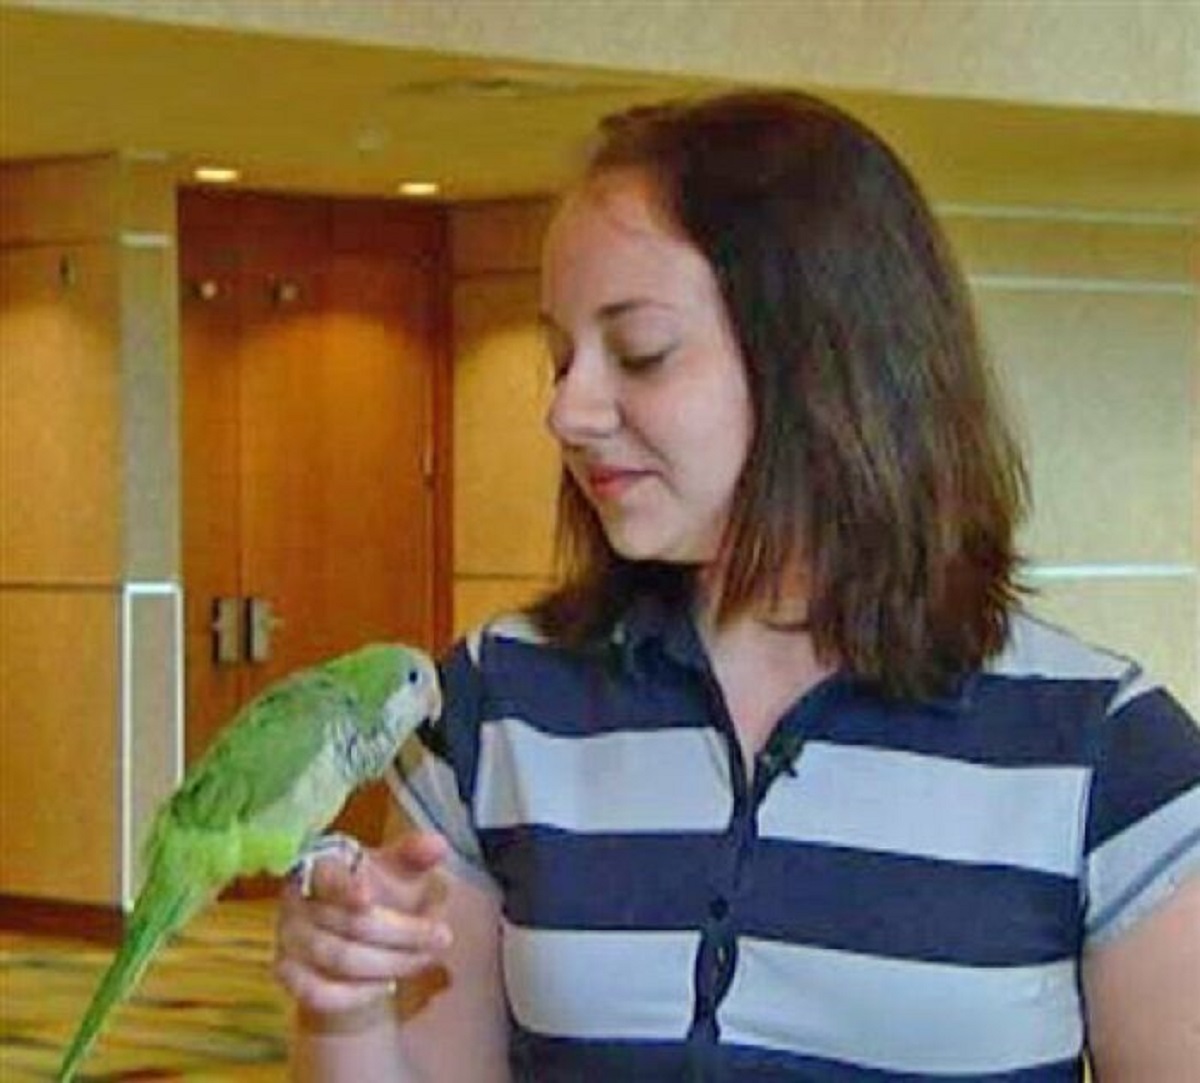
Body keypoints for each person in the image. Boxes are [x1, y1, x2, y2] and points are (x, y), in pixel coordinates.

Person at [274, 90, 1200, 1081]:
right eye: (559, 356)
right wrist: (344, 1009)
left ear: (825, 357)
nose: (568, 410)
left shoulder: (1108, 755)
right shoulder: (492, 707)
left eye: (642, 352)